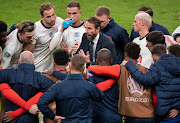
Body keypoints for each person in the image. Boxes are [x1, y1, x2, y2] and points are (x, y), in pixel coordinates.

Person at [88, 42, 156, 123]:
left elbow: (99, 71)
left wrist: (89, 66)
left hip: (130, 116)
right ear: (139, 56)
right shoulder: (147, 71)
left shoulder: (120, 70)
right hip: (148, 115)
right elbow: (154, 95)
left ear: (125, 55)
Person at [122, 44, 180, 122]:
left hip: (166, 113)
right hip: (176, 112)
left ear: (154, 57)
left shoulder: (158, 66)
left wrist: (129, 64)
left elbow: (143, 79)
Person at [38, 54, 104, 123]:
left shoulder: (58, 87)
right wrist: (88, 79)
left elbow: (41, 103)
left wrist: (52, 116)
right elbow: (100, 96)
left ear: (69, 67)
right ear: (83, 69)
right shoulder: (89, 86)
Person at [0, 51, 55, 123]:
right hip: (30, 120)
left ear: (19, 62)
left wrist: (16, 113)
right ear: (33, 62)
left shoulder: (7, 74)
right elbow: (54, 89)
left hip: (9, 118)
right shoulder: (40, 78)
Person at [26, 2, 64, 72]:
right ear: (42, 17)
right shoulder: (35, 29)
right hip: (38, 67)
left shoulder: (59, 21)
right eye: (48, 17)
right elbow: (28, 52)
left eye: (53, 15)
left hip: (51, 68)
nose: (52, 19)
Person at [88, 48, 122, 123]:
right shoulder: (119, 74)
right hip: (114, 117)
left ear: (97, 60)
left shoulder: (91, 73)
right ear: (111, 61)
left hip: (97, 118)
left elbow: (92, 91)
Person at [43, 49, 69, 123]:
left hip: (50, 117)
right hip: (68, 116)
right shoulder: (74, 77)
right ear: (67, 63)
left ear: (54, 63)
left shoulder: (45, 77)